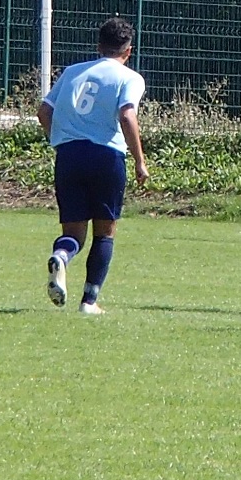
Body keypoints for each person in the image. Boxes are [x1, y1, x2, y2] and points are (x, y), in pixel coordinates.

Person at [38, 17, 149, 315]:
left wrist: (59, 140)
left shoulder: (73, 72)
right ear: (129, 51)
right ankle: (89, 301)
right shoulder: (130, 77)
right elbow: (127, 115)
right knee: (104, 232)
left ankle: (61, 256)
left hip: (69, 156)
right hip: (106, 157)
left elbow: (44, 111)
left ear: (99, 46)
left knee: (73, 232)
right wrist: (140, 160)